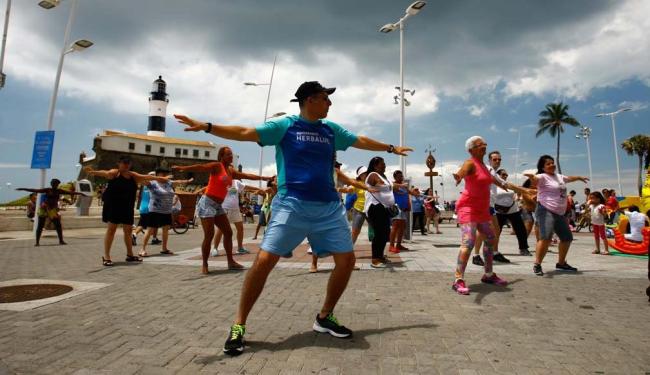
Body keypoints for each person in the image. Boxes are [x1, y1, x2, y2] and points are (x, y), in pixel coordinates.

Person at [174, 80, 411, 355]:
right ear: (310, 100)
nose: (330, 104)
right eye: (325, 98)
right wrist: (207, 126)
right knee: (263, 262)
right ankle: (239, 324)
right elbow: (245, 132)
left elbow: (360, 140)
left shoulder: (330, 129)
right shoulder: (284, 126)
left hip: (328, 208)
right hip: (291, 205)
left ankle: (324, 317)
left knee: (345, 262)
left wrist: (391, 148)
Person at [172, 147, 271, 274]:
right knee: (209, 235)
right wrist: (184, 168)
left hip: (218, 205)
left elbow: (246, 175)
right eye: (228, 155)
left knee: (228, 232)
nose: (231, 157)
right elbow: (201, 167)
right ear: (222, 156)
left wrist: (265, 178)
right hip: (207, 203)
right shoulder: (217, 166)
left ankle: (231, 262)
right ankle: (205, 264)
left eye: (231, 155)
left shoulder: (230, 170)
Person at [451, 136, 510, 295]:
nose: (484, 145)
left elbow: (494, 180)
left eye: (484, 143)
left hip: (482, 210)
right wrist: (458, 176)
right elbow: (462, 171)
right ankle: (458, 279)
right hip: (468, 208)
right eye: (480, 144)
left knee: (490, 238)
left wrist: (520, 190)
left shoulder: (484, 166)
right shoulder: (470, 162)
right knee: (469, 242)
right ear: (471, 149)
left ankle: (488, 274)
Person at [84, 157, 168, 266]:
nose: (126, 165)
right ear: (119, 163)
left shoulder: (133, 176)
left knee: (128, 231)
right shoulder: (115, 173)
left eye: (128, 163)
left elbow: (145, 176)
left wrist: (158, 178)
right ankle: (106, 256)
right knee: (111, 230)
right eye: (124, 163)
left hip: (127, 207)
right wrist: (92, 172)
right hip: (113, 206)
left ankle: (130, 255)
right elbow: (105, 173)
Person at [524, 155, 589, 276]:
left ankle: (561, 263)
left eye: (552, 163)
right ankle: (537, 264)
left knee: (567, 237)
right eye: (548, 164)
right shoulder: (542, 176)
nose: (552, 165)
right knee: (546, 237)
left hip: (559, 213)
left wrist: (579, 177)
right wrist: (531, 176)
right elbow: (535, 180)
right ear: (543, 167)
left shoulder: (559, 176)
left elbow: (569, 178)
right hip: (545, 209)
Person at [138, 169, 192, 257]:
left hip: (166, 211)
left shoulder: (169, 183)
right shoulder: (153, 183)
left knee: (165, 229)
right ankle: (142, 249)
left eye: (166, 174)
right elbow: (141, 180)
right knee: (150, 229)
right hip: (155, 210)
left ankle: (164, 248)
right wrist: (154, 177)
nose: (166, 176)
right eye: (163, 174)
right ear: (158, 174)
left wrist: (187, 181)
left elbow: (178, 182)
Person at [16, 179, 85, 246]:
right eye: (54, 184)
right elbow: (35, 190)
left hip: (52, 210)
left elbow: (70, 192)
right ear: (52, 184)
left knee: (58, 225)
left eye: (56, 184)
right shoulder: (48, 190)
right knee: (40, 225)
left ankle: (61, 240)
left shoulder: (59, 191)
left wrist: (81, 193)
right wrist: (23, 189)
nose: (55, 185)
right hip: (44, 208)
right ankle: (37, 242)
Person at [472, 150, 513, 266]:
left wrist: (525, 190)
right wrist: (525, 190)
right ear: (489, 160)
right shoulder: (488, 169)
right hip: (484, 204)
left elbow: (504, 183)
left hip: (490, 205)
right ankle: (476, 255)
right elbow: (505, 184)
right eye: (495, 159)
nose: (498, 161)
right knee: (483, 231)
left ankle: (494, 253)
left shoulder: (494, 172)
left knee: (496, 229)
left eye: (499, 159)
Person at [365, 157, 406, 268]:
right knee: (379, 233)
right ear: (375, 165)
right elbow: (378, 183)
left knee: (385, 232)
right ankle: (375, 259)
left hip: (383, 208)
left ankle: (380, 256)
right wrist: (398, 185)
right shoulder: (372, 175)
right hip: (375, 207)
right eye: (382, 164)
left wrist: (404, 189)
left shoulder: (384, 177)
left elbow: (392, 187)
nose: (384, 165)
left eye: (384, 163)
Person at [213, 179, 266, 255]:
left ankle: (240, 248)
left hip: (235, 209)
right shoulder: (222, 180)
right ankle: (215, 248)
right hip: (224, 208)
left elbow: (246, 187)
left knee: (240, 228)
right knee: (220, 229)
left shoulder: (236, 182)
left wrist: (258, 189)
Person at [494, 169, 532, 256]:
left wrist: (517, 196)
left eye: (506, 175)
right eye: (503, 174)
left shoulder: (509, 185)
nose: (505, 176)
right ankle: (493, 250)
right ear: (498, 176)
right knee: (496, 231)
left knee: (521, 230)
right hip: (499, 212)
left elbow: (518, 191)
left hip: (513, 211)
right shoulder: (494, 186)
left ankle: (523, 249)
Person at [388, 170, 411, 253]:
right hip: (395, 208)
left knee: (402, 226)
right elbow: (392, 185)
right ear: (395, 177)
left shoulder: (404, 186)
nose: (401, 177)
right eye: (399, 176)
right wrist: (401, 185)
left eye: (402, 176)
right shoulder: (393, 184)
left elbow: (409, 193)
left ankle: (398, 244)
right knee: (395, 225)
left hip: (403, 209)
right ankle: (391, 246)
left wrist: (415, 193)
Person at [350, 166, 370, 244]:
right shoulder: (357, 183)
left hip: (371, 209)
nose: (366, 175)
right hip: (359, 209)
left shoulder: (373, 182)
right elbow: (350, 189)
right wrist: (342, 189)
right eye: (363, 174)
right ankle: (349, 250)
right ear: (360, 176)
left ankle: (378, 252)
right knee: (355, 231)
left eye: (367, 173)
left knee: (378, 230)